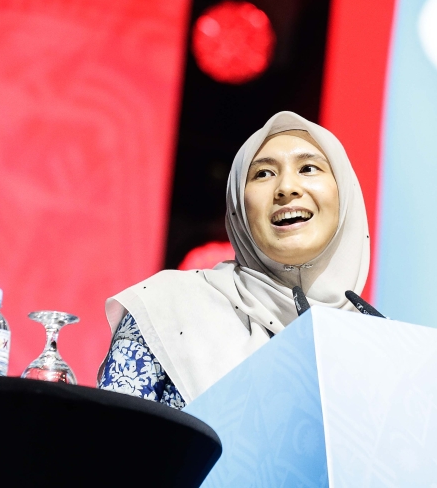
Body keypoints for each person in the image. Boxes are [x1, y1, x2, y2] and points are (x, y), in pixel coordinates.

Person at [97, 111, 370, 408]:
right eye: (263, 173)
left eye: (308, 168)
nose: (286, 188)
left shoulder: (378, 345)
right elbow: (113, 432)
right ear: (238, 204)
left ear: (346, 196)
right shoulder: (166, 308)